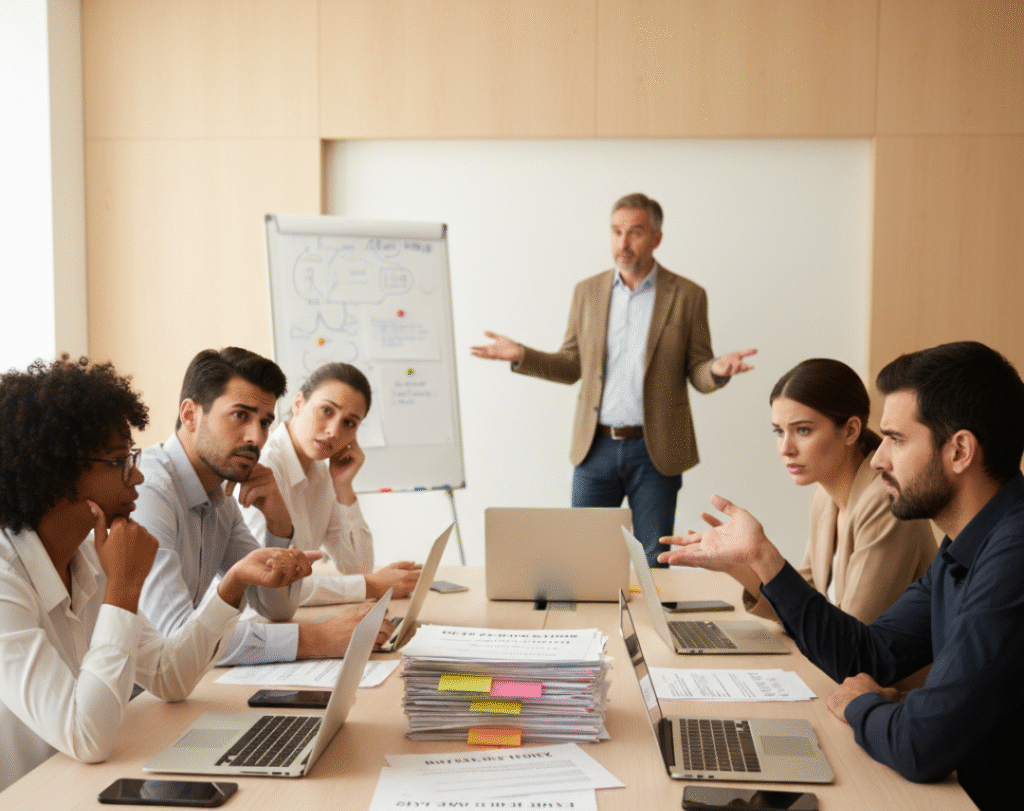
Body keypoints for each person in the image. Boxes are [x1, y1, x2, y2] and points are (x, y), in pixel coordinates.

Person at [659, 341, 1024, 811]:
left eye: (896, 439)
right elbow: (869, 653)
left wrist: (859, 704)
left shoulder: (1013, 556)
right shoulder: (962, 546)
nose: (879, 457)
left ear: (960, 451)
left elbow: (922, 743)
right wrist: (761, 557)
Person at [0, 355, 317, 792]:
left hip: (75, 787)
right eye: (119, 461)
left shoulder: (86, 559)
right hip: (25, 809)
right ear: (58, 473)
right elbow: (85, 736)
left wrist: (231, 587)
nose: (137, 475)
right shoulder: (8, 578)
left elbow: (171, 678)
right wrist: (123, 587)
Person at [471, 192, 756, 565]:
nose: (624, 243)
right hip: (595, 448)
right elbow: (571, 366)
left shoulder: (687, 295)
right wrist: (522, 355)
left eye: (635, 232)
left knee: (653, 560)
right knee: (585, 559)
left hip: (655, 451)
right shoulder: (587, 292)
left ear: (656, 238)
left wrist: (716, 370)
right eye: (616, 231)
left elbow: (698, 369)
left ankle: (648, 607)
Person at [134, 347, 391, 666]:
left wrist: (279, 523)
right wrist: (317, 638)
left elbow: (276, 608)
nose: (256, 438)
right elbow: (176, 639)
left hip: (181, 683)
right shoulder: (147, 489)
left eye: (265, 422)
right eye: (240, 415)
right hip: (134, 692)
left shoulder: (221, 494)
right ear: (190, 415)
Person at [733, 358, 936, 627]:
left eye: (802, 430)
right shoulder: (823, 497)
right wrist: (736, 565)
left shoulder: (885, 500)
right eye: (779, 432)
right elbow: (801, 600)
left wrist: (761, 553)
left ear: (851, 430)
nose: (785, 448)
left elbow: (852, 632)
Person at [241, 361, 421, 605]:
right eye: (327, 411)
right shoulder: (265, 469)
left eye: (349, 423)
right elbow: (265, 585)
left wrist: (343, 486)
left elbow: (357, 566)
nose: (334, 431)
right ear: (298, 403)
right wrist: (372, 586)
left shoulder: (320, 473)